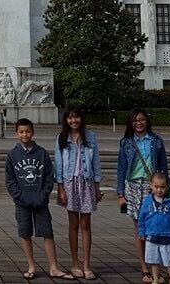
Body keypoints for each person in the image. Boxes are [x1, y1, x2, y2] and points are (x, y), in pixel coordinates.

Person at [6, 118, 74, 280]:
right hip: (22, 202)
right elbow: (10, 180)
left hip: (40, 201)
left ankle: (54, 267)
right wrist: (19, 196)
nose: (25, 134)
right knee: (25, 233)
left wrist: (43, 195)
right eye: (21, 132)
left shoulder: (41, 153)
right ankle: (31, 266)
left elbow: (49, 177)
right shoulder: (12, 155)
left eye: (28, 131)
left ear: (33, 132)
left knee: (47, 233)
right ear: (16, 134)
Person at [116, 107, 169, 283]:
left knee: (156, 227)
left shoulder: (156, 140)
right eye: (135, 121)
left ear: (147, 121)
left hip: (152, 185)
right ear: (131, 124)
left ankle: (157, 267)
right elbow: (122, 169)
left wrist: (165, 187)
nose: (138, 123)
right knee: (140, 229)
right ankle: (145, 268)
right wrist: (120, 193)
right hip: (133, 185)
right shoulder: (126, 142)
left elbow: (163, 166)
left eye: (141, 120)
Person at [54, 107, 102, 280]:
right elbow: (58, 165)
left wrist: (97, 186)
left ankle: (87, 264)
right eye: (70, 118)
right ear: (66, 120)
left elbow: (96, 161)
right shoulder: (61, 138)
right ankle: (75, 263)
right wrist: (60, 188)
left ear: (81, 119)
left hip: (87, 181)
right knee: (73, 224)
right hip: (69, 182)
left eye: (76, 117)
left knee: (86, 224)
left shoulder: (91, 137)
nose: (73, 121)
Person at [138, 172, 170, 284]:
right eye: (156, 186)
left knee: (169, 260)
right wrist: (142, 231)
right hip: (151, 235)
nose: (159, 190)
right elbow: (142, 218)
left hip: (167, 236)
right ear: (151, 185)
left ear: (167, 187)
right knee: (154, 260)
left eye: (162, 187)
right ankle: (155, 278)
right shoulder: (147, 202)